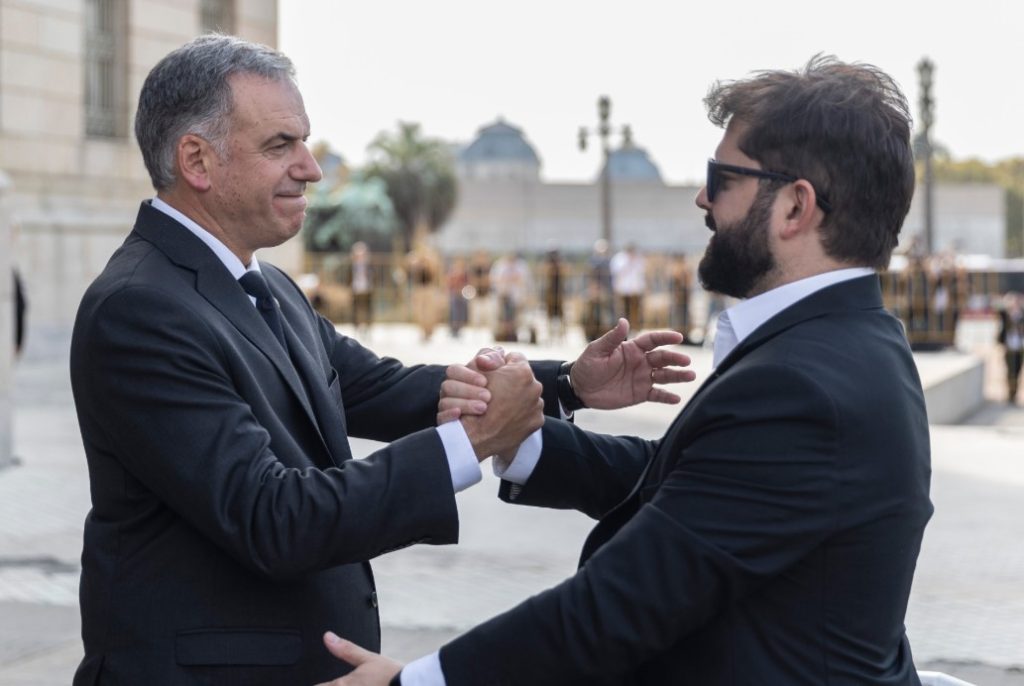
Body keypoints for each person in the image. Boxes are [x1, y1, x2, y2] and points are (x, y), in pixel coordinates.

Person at [68, 35, 694, 685]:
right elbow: (272, 517)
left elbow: (381, 388)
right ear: (197, 160)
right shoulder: (140, 308)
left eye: (305, 142)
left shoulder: (266, 283)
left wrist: (565, 384)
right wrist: (475, 439)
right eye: (280, 145)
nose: (311, 168)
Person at [326, 56, 934, 686]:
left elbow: (618, 607)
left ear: (794, 207)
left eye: (721, 178)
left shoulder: (799, 386)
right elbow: (696, 483)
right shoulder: (851, 342)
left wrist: (414, 683)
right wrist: (521, 432)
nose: (702, 198)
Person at [610, 242, 647, 330]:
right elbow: (616, 272)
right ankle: (624, 327)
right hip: (623, 289)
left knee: (636, 309)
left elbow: (642, 272)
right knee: (623, 309)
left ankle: (635, 327)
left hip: (635, 289)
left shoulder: (639, 258)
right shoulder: (619, 258)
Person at [997, 291, 1024, 404]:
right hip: (1009, 347)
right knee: (1009, 371)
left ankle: (1014, 392)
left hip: (1020, 348)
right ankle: (1010, 393)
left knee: (1018, 371)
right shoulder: (1006, 315)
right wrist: (1007, 301)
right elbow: (998, 307)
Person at [348, 241, 374, 336]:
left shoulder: (369, 265)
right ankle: (356, 327)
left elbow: (373, 277)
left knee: (367, 309)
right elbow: (349, 277)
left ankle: (368, 327)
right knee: (355, 309)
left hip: (367, 289)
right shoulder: (352, 265)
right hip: (356, 289)